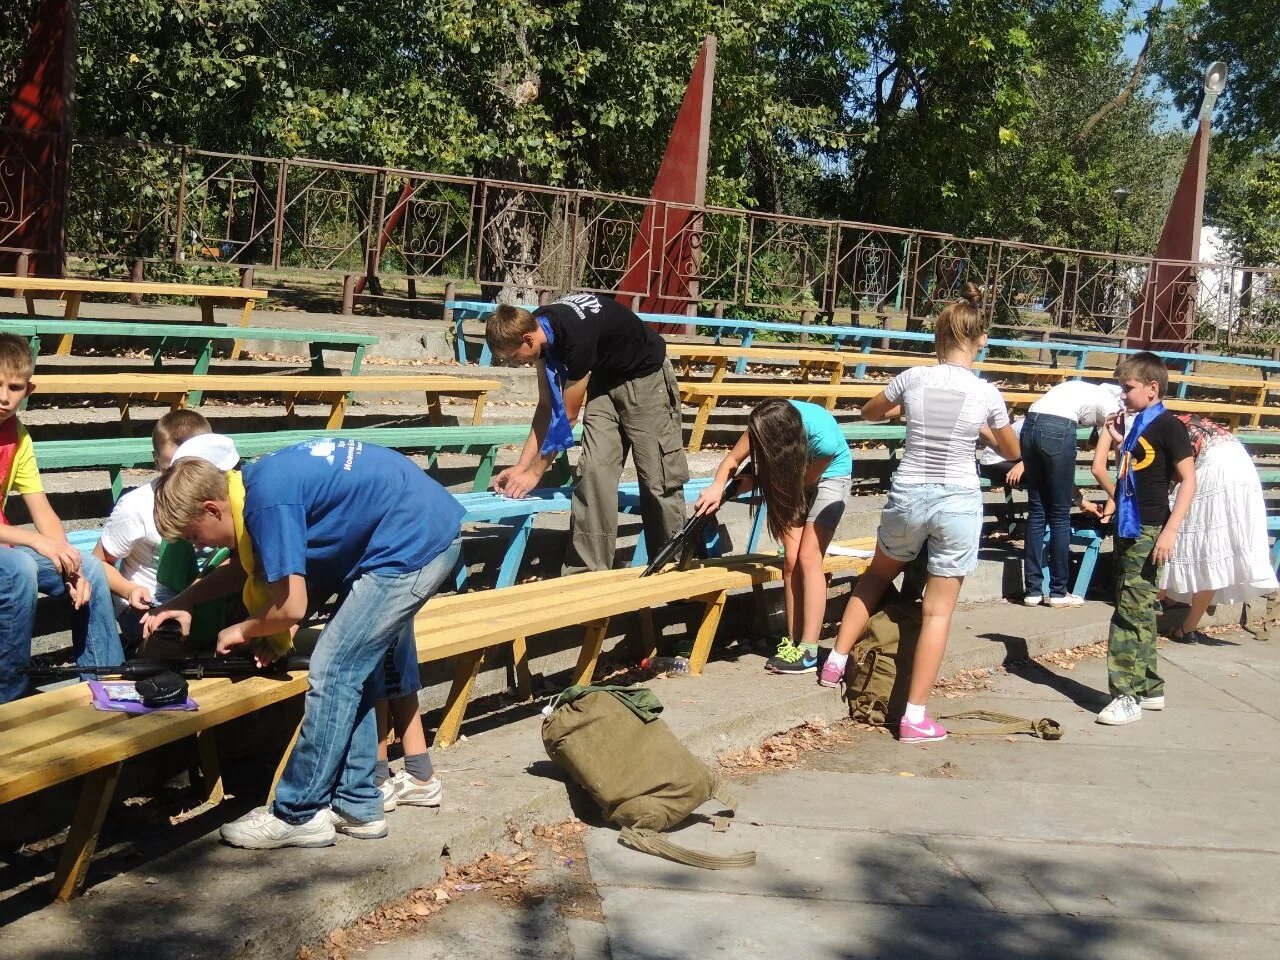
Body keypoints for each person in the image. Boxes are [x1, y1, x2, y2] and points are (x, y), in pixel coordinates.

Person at [146, 439, 463, 848]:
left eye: (194, 535)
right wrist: (187, 601)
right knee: (352, 665)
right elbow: (258, 570)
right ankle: (357, 805)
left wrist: (243, 630)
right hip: (413, 527)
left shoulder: (266, 505)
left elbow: (293, 606)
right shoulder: (256, 487)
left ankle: (298, 813)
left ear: (212, 508)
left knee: (333, 668)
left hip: (413, 542)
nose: (199, 546)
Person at [815, 287, 1020, 744]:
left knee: (876, 577)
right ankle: (914, 716)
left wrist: (904, 408)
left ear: (939, 338)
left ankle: (833, 663)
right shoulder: (986, 392)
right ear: (980, 339)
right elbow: (1011, 449)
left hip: (909, 492)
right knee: (938, 611)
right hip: (958, 500)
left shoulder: (913, 378)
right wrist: (982, 430)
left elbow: (870, 411)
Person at [485, 294, 688, 572]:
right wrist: (521, 466)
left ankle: (672, 568)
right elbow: (546, 407)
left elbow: (567, 418)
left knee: (657, 477)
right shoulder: (540, 326)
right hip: (605, 378)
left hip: (645, 377)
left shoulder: (574, 339)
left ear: (527, 339)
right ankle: (587, 571)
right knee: (594, 473)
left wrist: (535, 474)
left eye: (512, 357)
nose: (514, 364)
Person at [0, 334, 121, 704]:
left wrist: (72, 568)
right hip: (11, 553)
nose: (4, 396)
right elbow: (35, 539)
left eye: (14, 387)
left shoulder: (17, 437)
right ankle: (10, 697)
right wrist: (37, 541)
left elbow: (42, 511)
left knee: (90, 567)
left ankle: (106, 685)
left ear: (29, 388)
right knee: (20, 567)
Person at [693, 398, 853, 675]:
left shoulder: (822, 439)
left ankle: (809, 650)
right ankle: (793, 642)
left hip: (829, 477)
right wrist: (717, 487)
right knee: (791, 560)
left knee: (808, 558)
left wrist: (758, 481)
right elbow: (732, 459)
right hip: (792, 474)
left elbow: (804, 481)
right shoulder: (764, 422)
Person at [1094, 410, 1276, 644]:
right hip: (1241, 465)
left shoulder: (1151, 433)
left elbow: (1148, 481)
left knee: (1181, 542)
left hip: (1212, 469)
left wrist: (1120, 506)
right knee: (1211, 551)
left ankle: (1149, 601)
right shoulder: (1167, 420)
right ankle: (1187, 627)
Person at [1088, 352, 1195, 726]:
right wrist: (1120, 441)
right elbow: (1132, 475)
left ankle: (1125, 694)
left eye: (1128, 388)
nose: (1122, 395)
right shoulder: (1138, 426)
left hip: (1150, 528)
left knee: (1128, 612)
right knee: (1139, 606)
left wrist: (1170, 529)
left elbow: (1189, 481)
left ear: (1152, 388)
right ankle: (1149, 687)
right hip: (1131, 526)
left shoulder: (1167, 426)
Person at [93, 411, 233, 650]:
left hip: (208, 595)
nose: (180, 475)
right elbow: (98, 563)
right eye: (171, 467)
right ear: (156, 460)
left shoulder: (224, 500)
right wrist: (130, 590)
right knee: (169, 645)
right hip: (150, 602)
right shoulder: (136, 507)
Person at [1019, 380, 1123, 608]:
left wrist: (1081, 499)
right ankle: (1058, 592)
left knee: (1037, 511)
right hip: (1058, 427)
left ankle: (1033, 591)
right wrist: (1119, 495)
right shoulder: (1111, 406)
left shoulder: (1080, 390)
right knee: (1059, 515)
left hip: (1030, 424)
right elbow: (1106, 459)